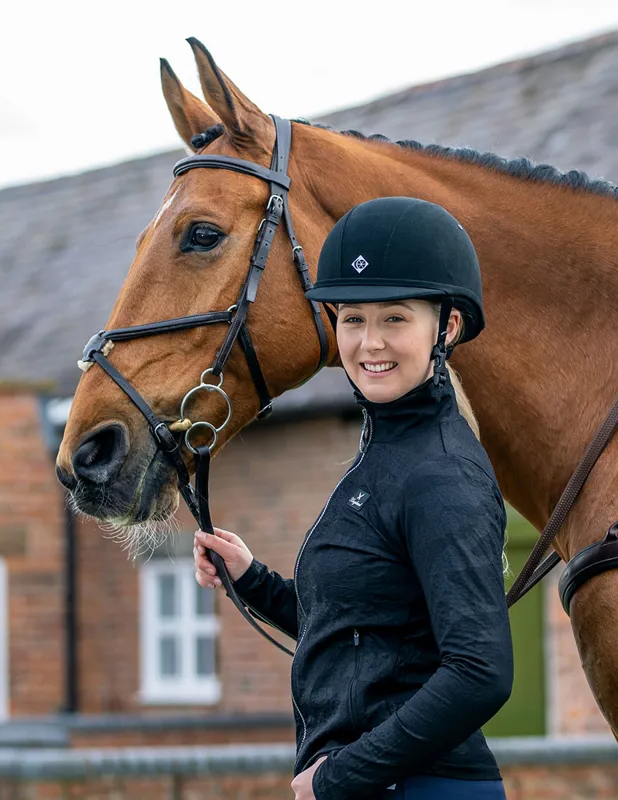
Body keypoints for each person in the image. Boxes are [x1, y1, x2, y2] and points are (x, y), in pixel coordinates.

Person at [193, 197, 513, 799]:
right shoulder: (385, 453)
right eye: (353, 319)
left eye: (395, 318)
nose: (370, 343)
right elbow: (364, 632)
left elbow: (481, 673)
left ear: (445, 327)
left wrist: (340, 778)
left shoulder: (441, 475)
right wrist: (253, 579)